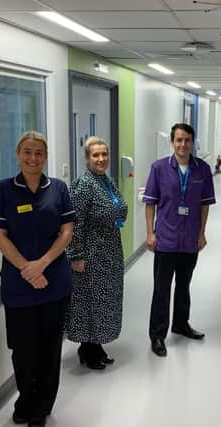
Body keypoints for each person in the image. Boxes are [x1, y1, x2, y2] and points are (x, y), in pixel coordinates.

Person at [0, 131, 75, 427]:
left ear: (45, 156)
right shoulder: (4, 190)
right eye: (27, 152)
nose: (33, 158)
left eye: (38, 153)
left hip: (54, 282)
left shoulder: (58, 189)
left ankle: (41, 407)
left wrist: (43, 263)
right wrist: (27, 268)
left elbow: (66, 232)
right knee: (23, 349)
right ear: (17, 154)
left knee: (49, 348)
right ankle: (25, 399)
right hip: (19, 284)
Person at [143, 123, 216, 357]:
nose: (183, 144)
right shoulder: (159, 168)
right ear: (172, 142)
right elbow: (150, 203)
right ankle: (157, 335)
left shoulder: (202, 169)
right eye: (178, 140)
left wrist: (202, 233)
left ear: (192, 142)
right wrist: (150, 233)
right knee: (161, 288)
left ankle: (181, 324)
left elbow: (204, 205)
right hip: (166, 238)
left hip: (189, 240)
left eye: (187, 140)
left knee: (184, 286)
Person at [65, 136, 128, 370]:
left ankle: (96, 345)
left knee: (105, 302)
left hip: (109, 252)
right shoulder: (83, 184)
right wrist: (76, 256)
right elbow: (75, 223)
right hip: (90, 256)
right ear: (87, 158)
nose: (101, 159)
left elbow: (118, 208)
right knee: (89, 302)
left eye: (104, 154)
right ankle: (87, 348)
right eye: (96, 155)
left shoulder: (105, 181)